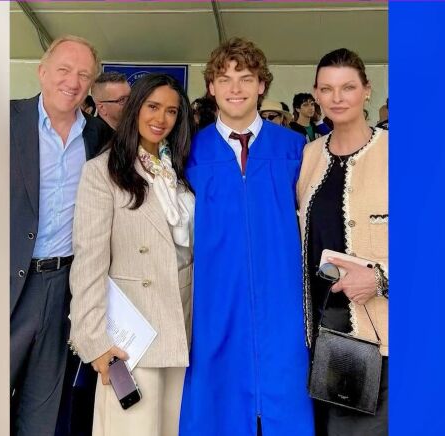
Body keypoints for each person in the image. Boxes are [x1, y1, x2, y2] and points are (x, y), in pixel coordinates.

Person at [180, 37, 315, 436]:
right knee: (215, 400)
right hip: (214, 297)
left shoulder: (296, 148)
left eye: (246, 78)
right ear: (211, 87)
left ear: (262, 85)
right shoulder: (191, 151)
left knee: (287, 391)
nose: (235, 88)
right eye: (225, 79)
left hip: (283, 296)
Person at [69, 73, 195, 436]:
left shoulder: (179, 170)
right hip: (131, 330)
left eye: (171, 111)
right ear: (135, 107)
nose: (161, 118)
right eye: (152, 107)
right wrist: (93, 340)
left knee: (171, 426)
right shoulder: (102, 171)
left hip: (181, 321)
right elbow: (89, 262)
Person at [10, 35, 113, 436]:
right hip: (3, 281)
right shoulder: (3, 120)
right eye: (64, 70)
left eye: (83, 75)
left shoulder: (99, 137)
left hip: (64, 287)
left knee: (43, 408)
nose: (72, 82)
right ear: (42, 71)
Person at [296, 48, 389, 436]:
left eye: (348, 87)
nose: (337, 98)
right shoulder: (309, 156)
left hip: (381, 335)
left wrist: (380, 279)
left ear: (367, 90)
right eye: (327, 88)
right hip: (322, 333)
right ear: (316, 94)